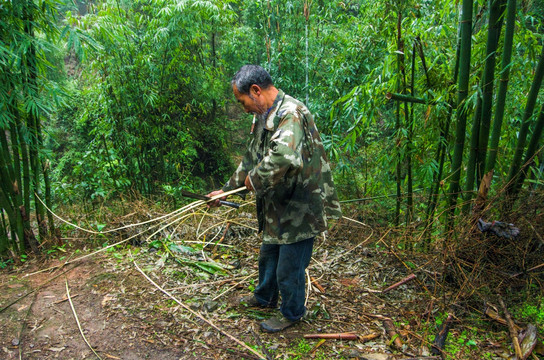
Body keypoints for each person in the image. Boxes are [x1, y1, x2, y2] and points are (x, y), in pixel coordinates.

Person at [208, 64, 341, 332]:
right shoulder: (262, 115)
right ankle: (264, 298)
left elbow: (282, 157)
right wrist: (226, 190)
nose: (242, 107)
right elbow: (250, 160)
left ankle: (292, 313)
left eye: (242, 100)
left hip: (300, 206)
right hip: (277, 204)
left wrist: (252, 182)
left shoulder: (290, 114)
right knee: (268, 256)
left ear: (255, 91)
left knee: (289, 268)